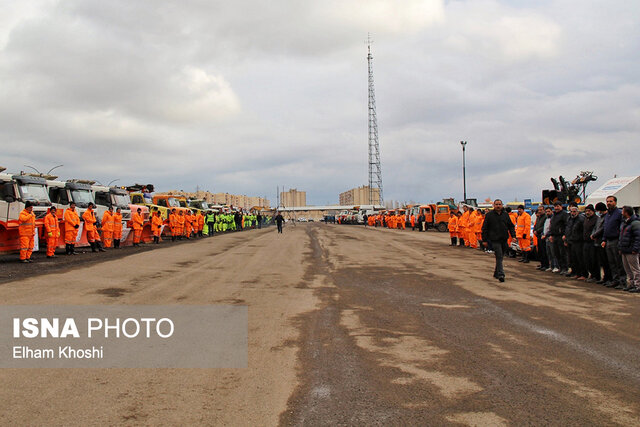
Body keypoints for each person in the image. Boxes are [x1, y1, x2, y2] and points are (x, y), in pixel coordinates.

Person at [482, 199, 516, 282]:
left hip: (504, 239)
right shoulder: (489, 215)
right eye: (496, 204)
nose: (498, 206)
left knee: (500, 256)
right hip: (494, 240)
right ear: (493, 205)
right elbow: (484, 228)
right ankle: (501, 274)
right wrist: (484, 240)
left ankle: (496, 273)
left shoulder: (505, 215)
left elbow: (511, 226)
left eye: (499, 204)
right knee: (499, 255)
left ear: (502, 205)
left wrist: (513, 236)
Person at [602, 196, 626, 288]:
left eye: (611, 201)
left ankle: (622, 281)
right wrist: (604, 239)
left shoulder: (619, 214)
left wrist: (620, 241)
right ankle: (615, 280)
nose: (608, 203)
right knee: (611, 262)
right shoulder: (608, 214)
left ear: (615, 202)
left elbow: (622, 228)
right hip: (608, 241)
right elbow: (605, 228)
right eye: (607, 201)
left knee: (619, 262)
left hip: (616, 240)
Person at [618, 206, 640, 292]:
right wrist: (621, 248)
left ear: (626, 212)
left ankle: (638, 286)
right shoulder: (625, 223)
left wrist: (635, 249)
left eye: (622, 211)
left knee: (635, 269)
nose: (621, 213)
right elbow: (622, 237)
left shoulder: (635, 223)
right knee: (627, 269)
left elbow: (638, 238)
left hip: (631, 250)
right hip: (625, 249)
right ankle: (631, 284)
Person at [590, 202, 611, 285]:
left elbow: (602, 229)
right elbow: (596, 227)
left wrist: (595, 235)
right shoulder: (599, 217)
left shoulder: (606, 217)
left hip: (602, 241)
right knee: (601, 261)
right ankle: (605, 278)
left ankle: (608, 278)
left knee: (606, 262)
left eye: (598, 210)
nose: (598, 212)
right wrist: (593, 234)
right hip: (596, 242)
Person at [564, 205, 586, 279]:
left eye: (574, 212)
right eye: (571, 211)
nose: (573, 213)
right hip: (571, 241)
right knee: (573, 259)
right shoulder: (569, 219)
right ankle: (576, 273)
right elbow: (567, 229)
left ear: (578, 212)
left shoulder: (581, 219)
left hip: (579, 241)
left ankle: (583, 274)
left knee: (580, 259)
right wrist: (566, 239)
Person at [549, 202, 569, 274]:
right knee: (557, 253)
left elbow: (567, 225)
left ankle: (565, 268)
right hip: (555, 236)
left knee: (562, 253)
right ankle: (560, 267)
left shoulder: (564, 214)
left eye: (557, 206)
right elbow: (552, 225)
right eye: (555, 206)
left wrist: (565, 234)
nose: (556, 208)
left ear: (561, 206)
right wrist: (551, 235)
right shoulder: (554, 215)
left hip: (561, 236)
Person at [582, 205, 599, 282]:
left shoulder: (596, 219)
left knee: (593, 260)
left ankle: (596, 276)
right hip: (585, 242)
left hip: (593, 242)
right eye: (586, 211)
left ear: (593, 211)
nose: (588, 212)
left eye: (589, 211)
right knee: (587, 260)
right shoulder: (586, 219)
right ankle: (591, 274)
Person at [533, 205, 548, 270]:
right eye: (539, 210)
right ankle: (542, 264)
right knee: (540, 251)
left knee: (544, 251)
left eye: (541, 210)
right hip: (538, 236)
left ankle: (545, 265)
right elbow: (536, 225)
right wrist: (534, 230)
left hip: (542, 236)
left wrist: (538, 231)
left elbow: (544, 227)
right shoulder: (538, 217)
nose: (539, 211)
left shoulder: (545, 217)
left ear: (543, 210)